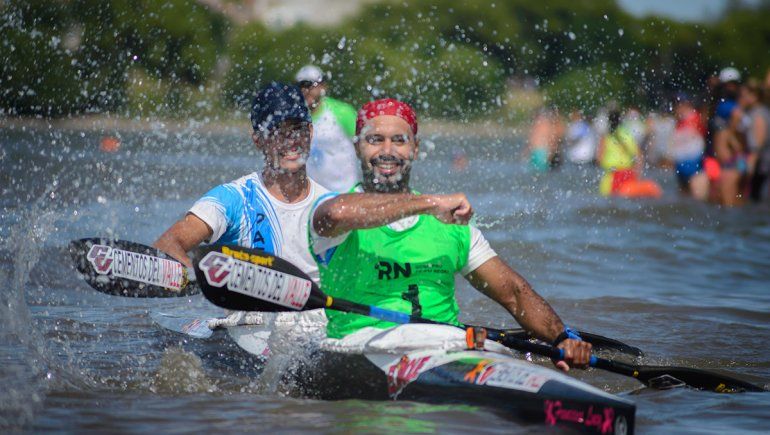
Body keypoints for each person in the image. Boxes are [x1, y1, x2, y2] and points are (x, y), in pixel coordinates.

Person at [309, 98, 592, 371]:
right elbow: (336, 214)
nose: (388, 150)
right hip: (361, 349)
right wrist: (430, 203)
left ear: (415, 149)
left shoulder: (452, 225)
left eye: (399, 140)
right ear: (357, 148)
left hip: (444, 350)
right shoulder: (335, 213)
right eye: (375, 140)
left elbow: (514, 295)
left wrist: (562, 337)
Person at [153, 82, 329, 284]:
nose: (290, 141)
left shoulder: (330, 207)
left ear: (310, 131)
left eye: (297, 129)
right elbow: (166, 246)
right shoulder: (232, 199)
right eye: (278, 131)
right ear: (258, 141)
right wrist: (200, 279)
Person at [295, 65, 361, 192]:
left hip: (345, 192)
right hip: (312, 196)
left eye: (310, 85)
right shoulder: (294, 118)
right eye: (300, 85)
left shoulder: (342, 113)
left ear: (323, 86)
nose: (305, 90)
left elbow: (364, 146)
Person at [596, 108, 661, 198]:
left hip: (611, 176)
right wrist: (637, 175)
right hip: (628, 174)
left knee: (611, 204)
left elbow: (599, 158)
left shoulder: (606, 137)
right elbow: (639, 157)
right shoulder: (627, 134)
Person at [712, 67, 746, 206]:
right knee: (728, 200)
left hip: (733, 159)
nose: (731, 87)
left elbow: (733, 133)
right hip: (728, 160)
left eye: (734, 84)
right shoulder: (721, 105)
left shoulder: (732, 107)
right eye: (728, 84)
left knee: (730, 202)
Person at [669, 94, 709, 200]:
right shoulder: (679, 123)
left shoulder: (696, 118)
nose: (676, 109)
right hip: (681, 168)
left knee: (698, 203)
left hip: (696, 168)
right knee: (685, 203)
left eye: (678, 105)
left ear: (686, 105)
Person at [526, 107, 564, 172]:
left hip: (542, 152)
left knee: (539, 173)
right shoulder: (539, 125)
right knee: (536, 173)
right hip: (538, 151)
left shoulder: (545, 125)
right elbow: (532, 140)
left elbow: (551, 140)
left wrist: (551, 152)